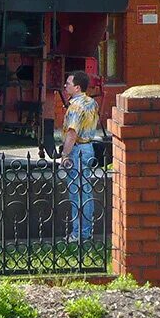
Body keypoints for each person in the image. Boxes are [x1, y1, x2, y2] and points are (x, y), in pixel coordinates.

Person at [60, 70, 99, 243]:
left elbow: (72, 133)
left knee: (77, 195)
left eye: (68, 83)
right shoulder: (92, 103)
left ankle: (79, 234)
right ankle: (86, 231)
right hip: (89, 147)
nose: (65, 86)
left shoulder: (75, 106)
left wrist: (65, 154)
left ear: (77, 87)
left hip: (77, 150)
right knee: (86, 193)